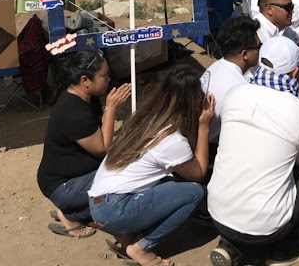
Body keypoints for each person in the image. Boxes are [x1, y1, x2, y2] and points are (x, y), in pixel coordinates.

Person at [207, 36, 299, 266]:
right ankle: (281, 249)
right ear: (295, 71)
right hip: (267, 228)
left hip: (217, 214)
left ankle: (231, 244)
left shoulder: (235, 94)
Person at [89, 65, 214, 266]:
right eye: (200, 97)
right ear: (189, 101)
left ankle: (126, 235)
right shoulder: (170, 139)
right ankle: (141, 248)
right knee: (194, 192)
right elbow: (197, 172)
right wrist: (203, 127)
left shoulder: (147, 117)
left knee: (166, 180)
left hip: (100, 202)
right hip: (114, 209)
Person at [36, 50, 131, 238]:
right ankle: (72, 214)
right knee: (126, 178)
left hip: (75, 176)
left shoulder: (87, 98)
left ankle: (74, 210)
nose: (108, 79)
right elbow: (102, 149)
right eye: (104, 75)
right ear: (85, 80)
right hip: (64, 186)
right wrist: (111, 109)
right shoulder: (72, 111)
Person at [200, 16, 262, 146]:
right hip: (208, 147)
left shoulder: (217, 66)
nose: (260, 51)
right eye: (258, 47)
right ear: (245, 54)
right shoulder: (239, 89)